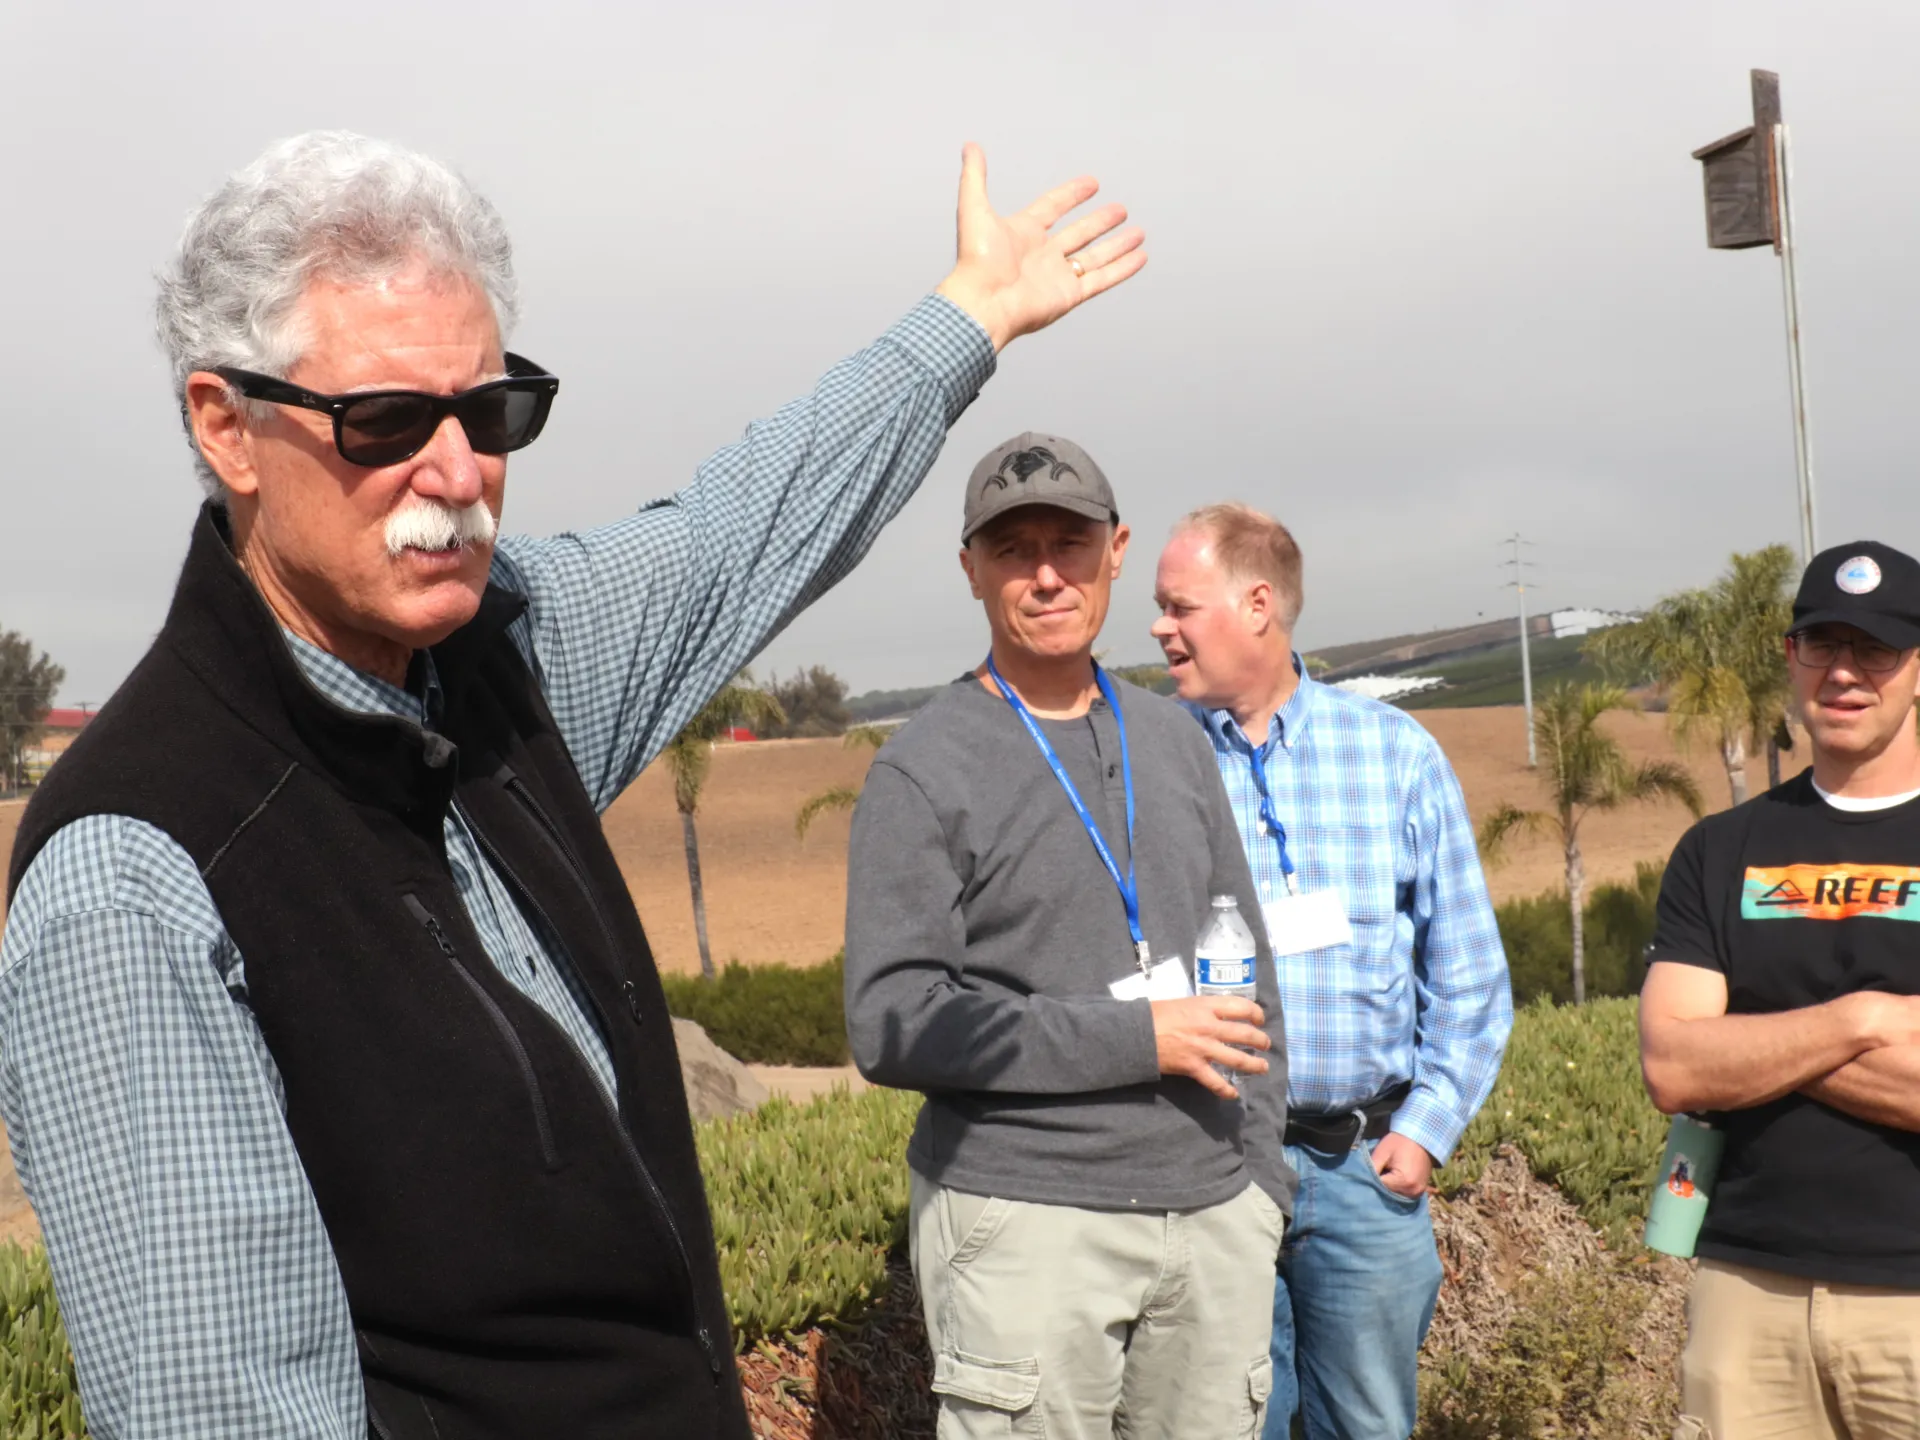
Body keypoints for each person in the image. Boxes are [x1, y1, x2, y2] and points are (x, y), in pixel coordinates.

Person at [0, 131, 1145, 1439]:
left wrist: (969, 318)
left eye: (487, 414)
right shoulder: (136, 870)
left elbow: (733, 533)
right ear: (229, 427)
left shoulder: (500, 658)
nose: (455, 476)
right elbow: (224, 1406)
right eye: (382, 421)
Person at [843, 435, 1293, 1440]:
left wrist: (1262, 1185)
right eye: (1013, 550)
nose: (1047, 574)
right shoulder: (922, 770)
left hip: (1215, 1212)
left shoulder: (1173, 737)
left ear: (1117, 551)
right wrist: (1142, 1040)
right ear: (970, 569)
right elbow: (892, 1025)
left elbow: (1248, 961)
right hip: (1027, 1221)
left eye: (1070, 543)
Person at [1150, 504, 1512, 1440]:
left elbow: (1468, 973)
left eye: (1178, 606)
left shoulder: (1394, 755)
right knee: (1234, 1425)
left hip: (1363, 1167)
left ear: (1258, 604)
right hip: (1213, 1171)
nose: (1159, 628)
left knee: (1369, 1426)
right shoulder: (1149, 766)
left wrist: (1426, 1132)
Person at [1640, 540, 1920, 1440]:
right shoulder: (1718, 850)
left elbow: (1709, 1046)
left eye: (1874, 650)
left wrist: (1753, 1037)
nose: (1844, 673)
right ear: (1791, 660)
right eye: (1820, 646)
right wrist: (1866, 1019)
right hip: (1745, 1295)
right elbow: (1676, 1066)